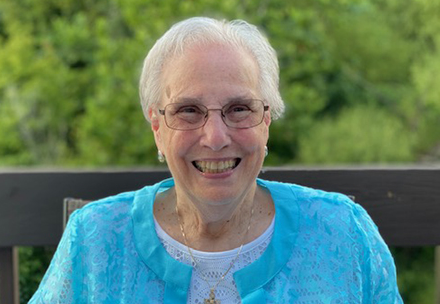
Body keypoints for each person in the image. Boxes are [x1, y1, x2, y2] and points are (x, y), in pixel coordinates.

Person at [29, 17, 402, 303]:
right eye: (188, 110)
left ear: (266, 121)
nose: (216, 137)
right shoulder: (93, 240)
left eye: (239, 108)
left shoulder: (344, 232)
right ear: (157, 127)